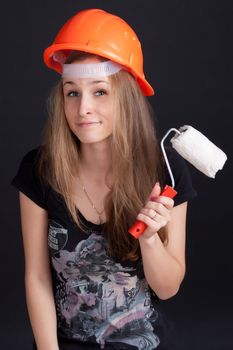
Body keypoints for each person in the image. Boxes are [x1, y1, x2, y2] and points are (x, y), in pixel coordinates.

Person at [11, 8, 196, 350]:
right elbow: (37, 277)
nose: (82, 109)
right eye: (72, 92)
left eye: (99, 92)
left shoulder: (165, 173)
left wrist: (151, 238)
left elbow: (168, 288)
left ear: (126, 98)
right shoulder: (39, 169)